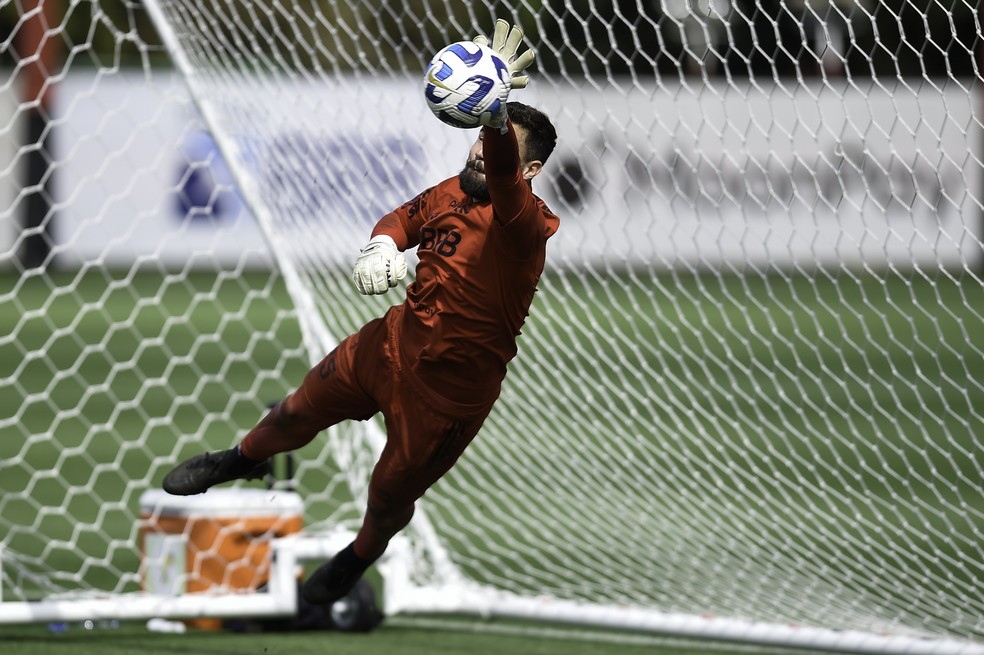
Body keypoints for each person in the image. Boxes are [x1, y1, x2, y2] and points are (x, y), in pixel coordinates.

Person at [162, 20, 559, 606]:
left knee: (389, 497)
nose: (477, 150)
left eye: (489, 141)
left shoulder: (523, 223)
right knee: (298, 409)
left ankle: (356, 558)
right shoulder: (453, 190)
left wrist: (498, 115)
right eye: (475, 136)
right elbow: (403, 218)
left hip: (446, 398)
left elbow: (501, 171)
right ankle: (240, 460)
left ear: (528, 171)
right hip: (389, 345)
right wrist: (384, 246)